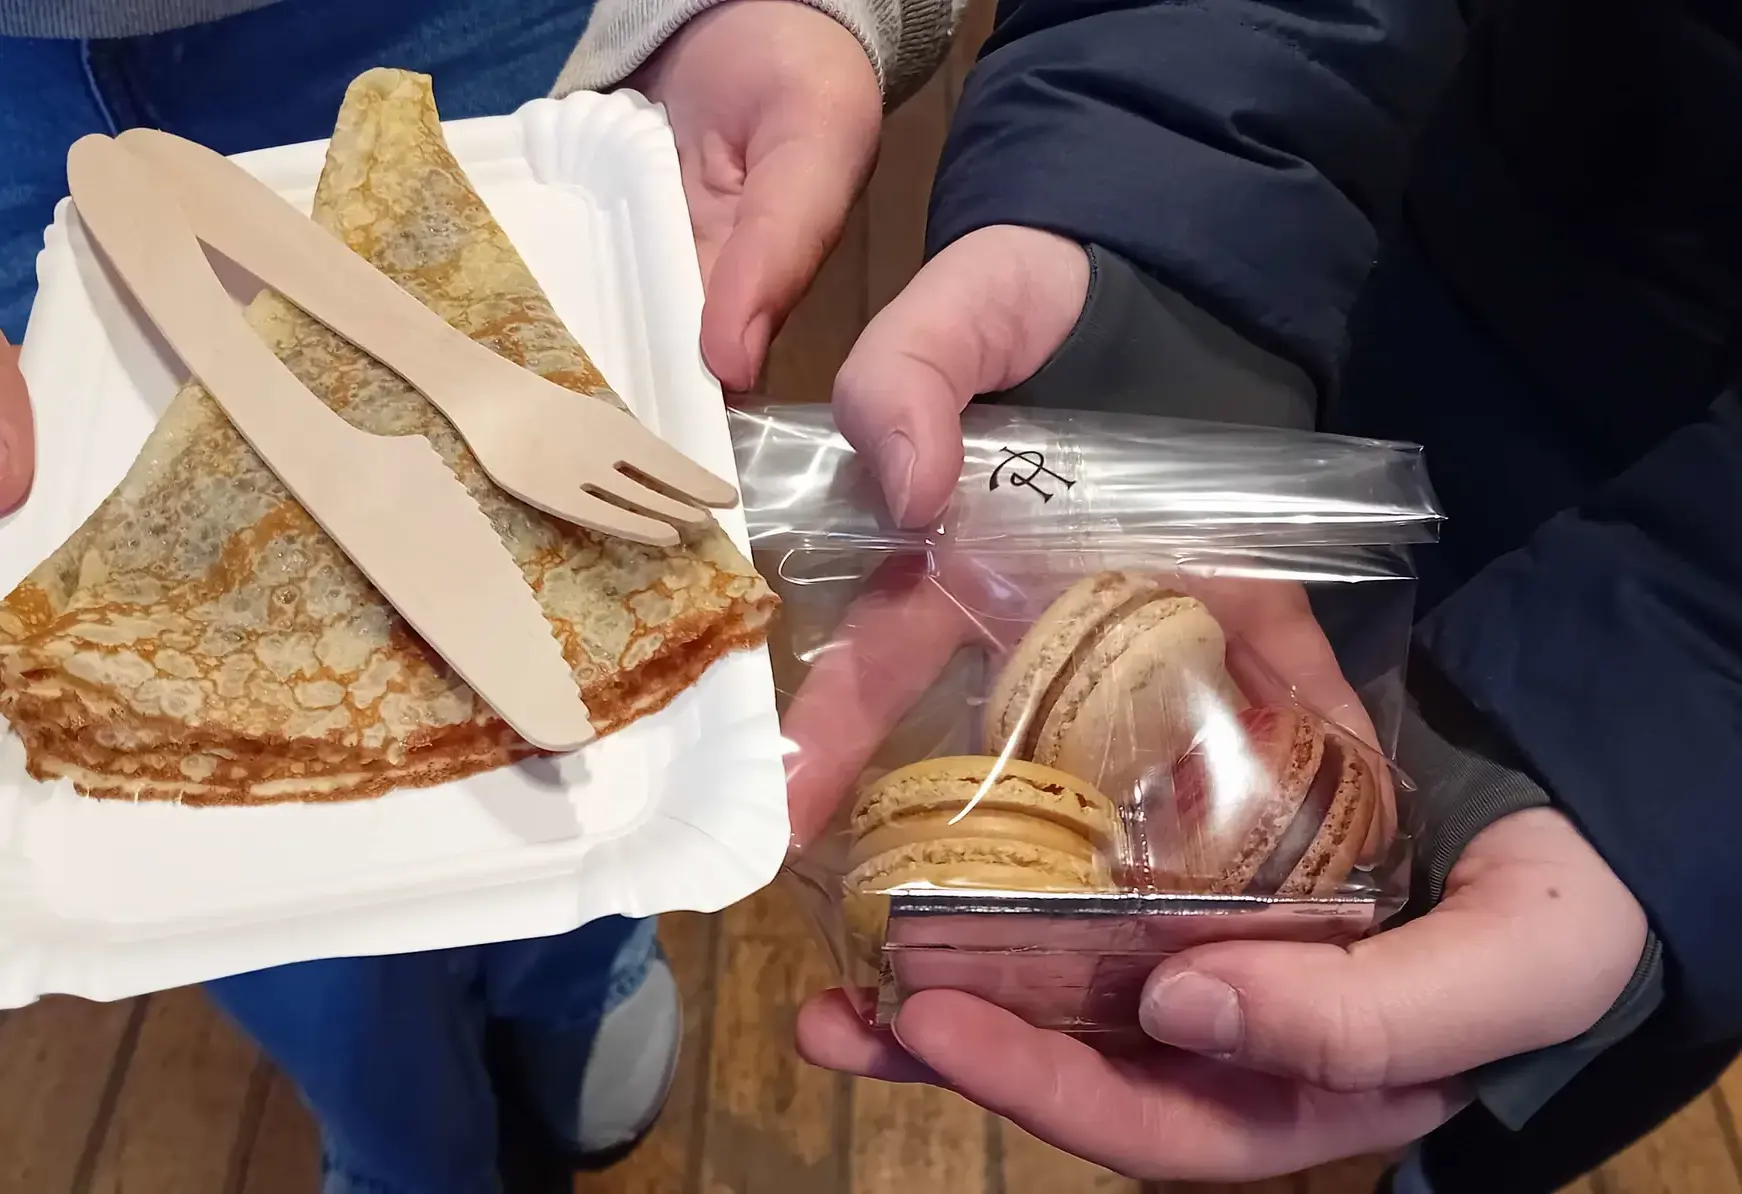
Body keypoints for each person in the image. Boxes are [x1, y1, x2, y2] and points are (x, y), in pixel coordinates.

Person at [776, 0, 1742, 1191]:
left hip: (1684, 775)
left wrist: (1682, 755)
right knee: (1317, 823)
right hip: (1415, 307)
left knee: (1513, 1054)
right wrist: (1153, 240)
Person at [0, 0, 913, 1190]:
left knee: (588, 714)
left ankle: (579, 980)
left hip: (455, 18)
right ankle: (397, 1130)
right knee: (230, 872)